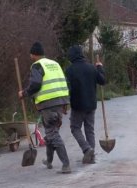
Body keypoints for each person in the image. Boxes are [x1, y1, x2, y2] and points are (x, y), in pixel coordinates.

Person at [18, 41, 71, 174]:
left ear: (33, 54)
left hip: (48, 104)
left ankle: (66, 165)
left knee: (52, 134)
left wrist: (24, 93)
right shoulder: (55, 64)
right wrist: (65, 103)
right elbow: (63, 82)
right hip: (60, 102)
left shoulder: (37, 65)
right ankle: (49, 161)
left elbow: (35, 84)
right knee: (50, 133)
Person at [65, 45, 106, 164]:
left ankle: (87, 149)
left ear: (72, 56)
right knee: (89, 130)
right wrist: (100, 68)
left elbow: (66, 88)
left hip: (77, 105)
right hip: (91, 104)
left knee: (75, 128)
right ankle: (91, 156)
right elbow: (102, 81)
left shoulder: (69, 70)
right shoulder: (92, 68)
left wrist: (64, 104)